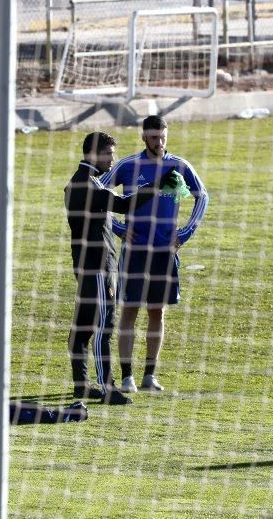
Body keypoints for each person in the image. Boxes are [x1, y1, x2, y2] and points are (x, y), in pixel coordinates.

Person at [64, 131, 177, 405]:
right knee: (104, 326)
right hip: (99, 267)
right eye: (109, 154)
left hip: (82, 264)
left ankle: (81, 385)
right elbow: (126, 204)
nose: (113, 160)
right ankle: (107, 388)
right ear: (94, 154)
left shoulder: (72, 184)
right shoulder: (91, 186)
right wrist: (158, 184)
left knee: (82, 329)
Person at [100, 115, 209, 393]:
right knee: (130, 311)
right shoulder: (127, 166)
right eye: (153, 138)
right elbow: (96, 192)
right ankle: (127, 377)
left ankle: (149, 375)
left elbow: (202, 196)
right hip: (135, 252)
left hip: (164, 251)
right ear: (143, 138)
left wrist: (184, 234)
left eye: (162, 137)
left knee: (157, 312)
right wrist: (118, 228)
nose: (159, 143)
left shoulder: (179, 166)